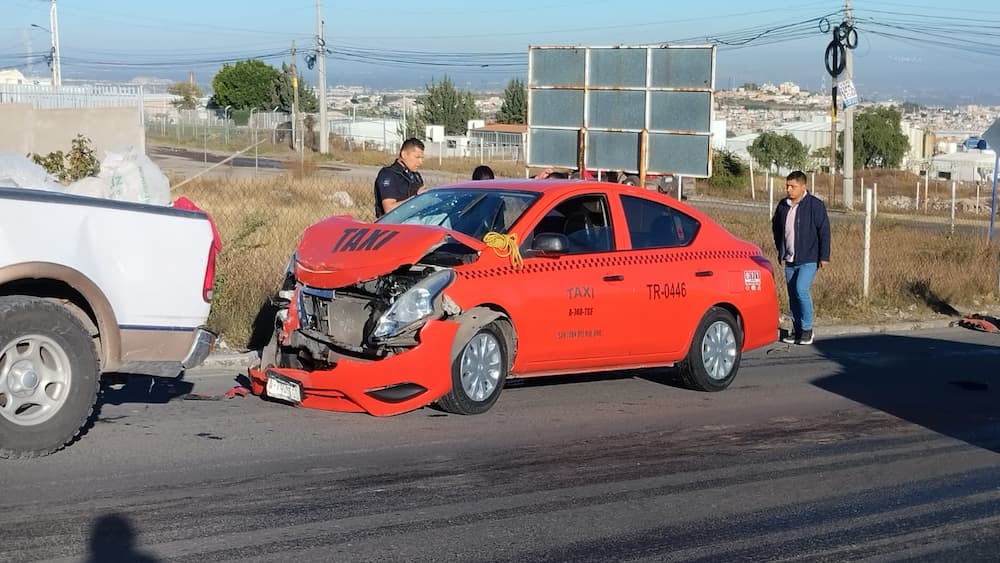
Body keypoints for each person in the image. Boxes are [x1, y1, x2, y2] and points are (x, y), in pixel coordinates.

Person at [771, 170, 830, 345]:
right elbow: (776, 228)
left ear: (803, 187)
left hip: (809, 257)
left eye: (793, 186)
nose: (789, 189)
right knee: (792, 294)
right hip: (790, 259)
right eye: (787, 186)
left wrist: (824, 256)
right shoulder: (783, 205)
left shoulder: (815, 205)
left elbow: (824, 231)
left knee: (801, 290)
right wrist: (780, 249)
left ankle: (807, 329)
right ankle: (796, 330)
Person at [374, 138, 425, 217]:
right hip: (396, 224)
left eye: (422, 158)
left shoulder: (415, 176)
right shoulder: (388, 175)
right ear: (404, 154)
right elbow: (389, 209)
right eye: (417, 157)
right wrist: (416, 197)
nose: (420, 162)